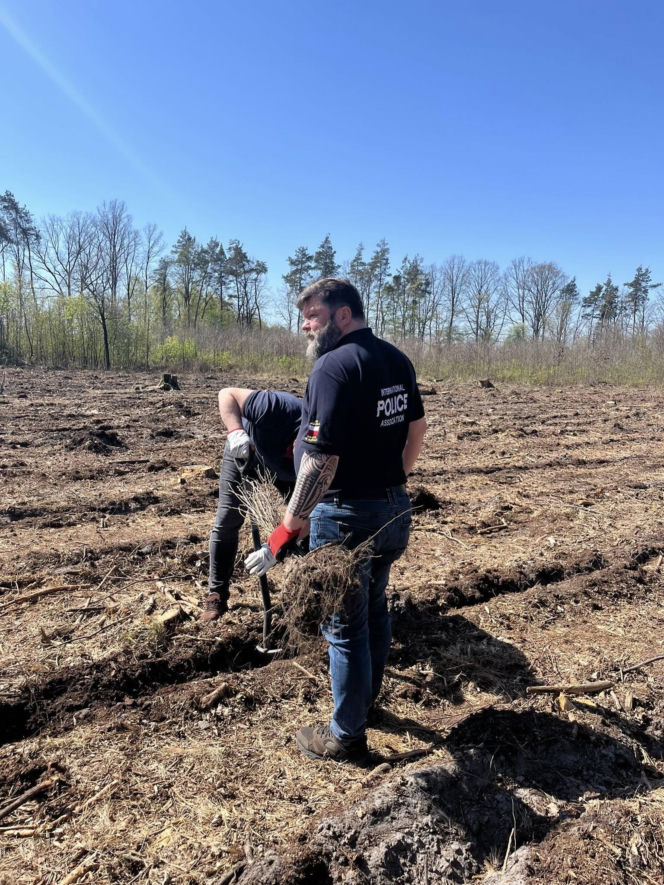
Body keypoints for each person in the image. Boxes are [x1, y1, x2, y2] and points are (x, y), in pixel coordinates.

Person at [245, 278, 426, 762]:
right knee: (375, 610)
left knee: (344, 627)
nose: (305, 326)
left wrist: (287, 527)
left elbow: (320, 460)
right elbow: (417, 428)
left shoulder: (332, 367)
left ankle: (346, 736)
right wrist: (392, 481)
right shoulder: (396, 360)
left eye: (313, 316)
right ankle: (366, 706)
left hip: (347, 517)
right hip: (392, 510)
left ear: (342, 315)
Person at [200, 387, 302, 621]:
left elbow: (307, 514)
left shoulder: (318, 451)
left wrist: (275, 545)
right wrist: (235, 431)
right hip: (244, 452)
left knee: (307, 530)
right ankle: (217, 593)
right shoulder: (279, 408)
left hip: (287, 475)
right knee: (228, 519)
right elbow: (226, 394)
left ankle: (304, 594)